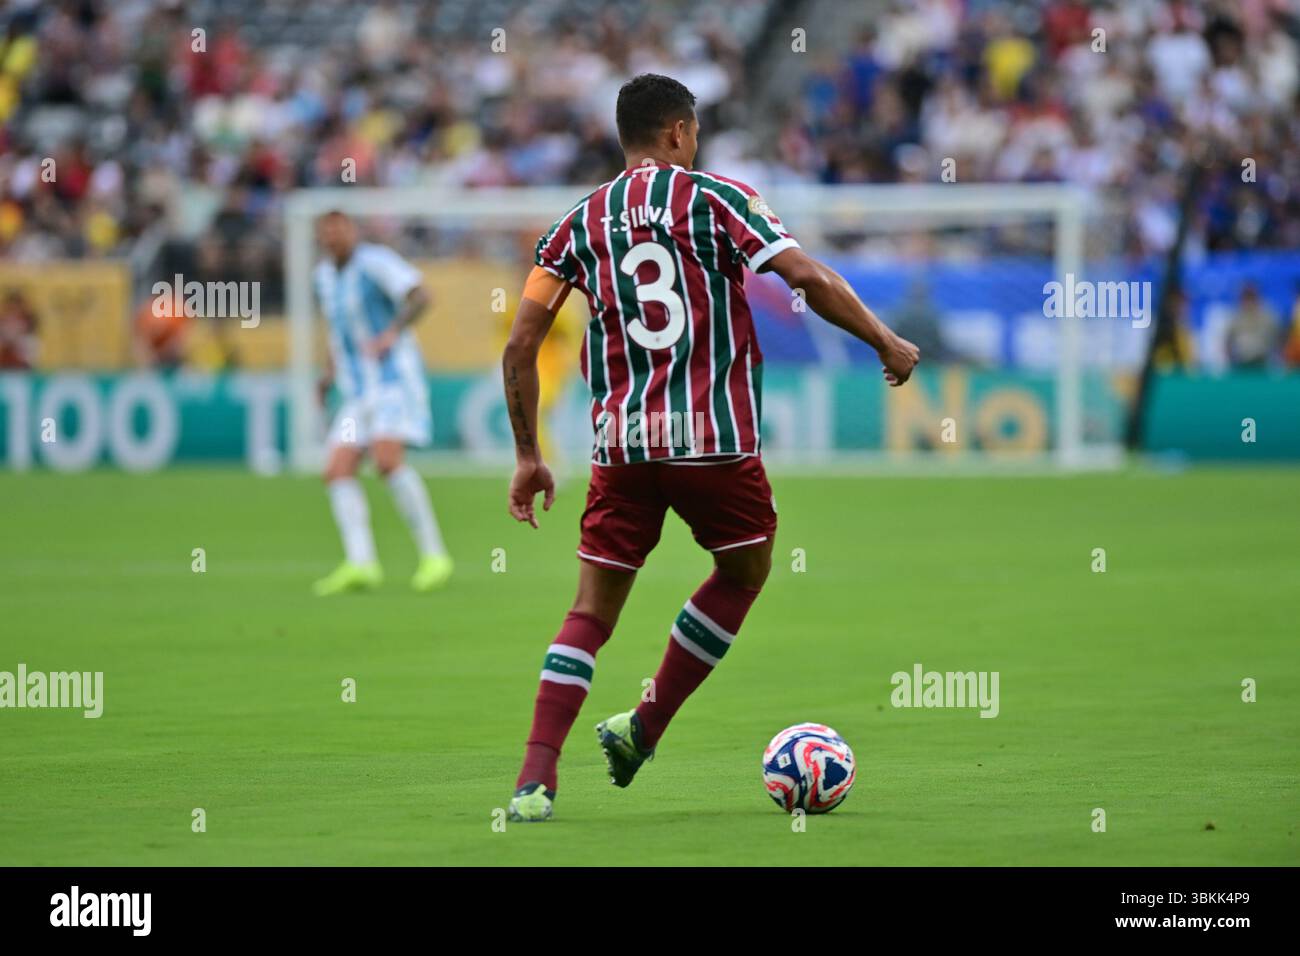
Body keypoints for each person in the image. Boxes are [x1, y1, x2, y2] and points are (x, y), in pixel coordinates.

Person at [500, 74, 920, 822]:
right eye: (693, 132)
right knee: (745, 568)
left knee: (591, 609)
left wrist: (529, 453)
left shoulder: (576, 223)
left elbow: (522, 344)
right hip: (714, 441)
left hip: (622, 445)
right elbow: (805, 276)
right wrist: (883, 339)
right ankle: (644, 726)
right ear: (677, 134)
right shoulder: (717, 198)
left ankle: (534, 782)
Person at [311, 211, 453, 596]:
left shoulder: (375, 262)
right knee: (337, 469)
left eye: (340, 230)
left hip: (393, 382)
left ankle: (434, 556)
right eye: (327, 232)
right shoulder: (323, 277)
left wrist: (392, 333)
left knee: (387, 460)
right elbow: (339, 333)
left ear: (352, 231)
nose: (334, 237)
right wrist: (327, 374)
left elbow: (422, 296)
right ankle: (361, 563)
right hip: (356, 393)